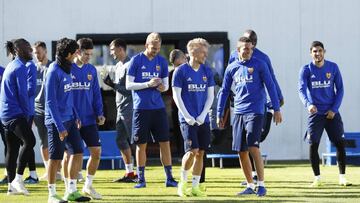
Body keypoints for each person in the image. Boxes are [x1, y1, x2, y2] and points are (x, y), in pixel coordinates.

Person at [217, 37, 282, 197]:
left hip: (256, 111)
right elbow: (224, 91)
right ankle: (249, 185)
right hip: (238, 112)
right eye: (244, 49)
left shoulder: (260, 65)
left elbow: (271, 86)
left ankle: (261, 185)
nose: (247, 51)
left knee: (253, 146)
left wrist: (276, 108)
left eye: (249, 49)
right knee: (241, 151)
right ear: (238, 51)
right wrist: (219, 112)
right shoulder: (232, 67)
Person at [230, 30, 284, 183]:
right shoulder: (234, 55)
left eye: (253, 40)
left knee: (254, 142)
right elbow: (231, 76)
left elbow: (271, 80)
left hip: (258, 106)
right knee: (244, 147)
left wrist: (277, 102)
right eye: (247, 39)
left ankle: (259, 180)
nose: (250, 42)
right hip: (241, 107)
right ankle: (251, 178)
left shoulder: (263, 58)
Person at [126, 32, 177, 188]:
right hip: (141, 108)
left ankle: (169, 178)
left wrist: (162, 87)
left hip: (158, 109)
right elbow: (129, 85)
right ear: (146, 45)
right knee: (141, 144)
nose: (155, 50)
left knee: (165, 142)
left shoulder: (161, 61)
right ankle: (141, 179)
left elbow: (166, 86)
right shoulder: (136, 60)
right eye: (153, 47)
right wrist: (148, 84)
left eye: (158, 47)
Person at [298, 41, 351, 187]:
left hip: (332, 113)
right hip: (316, 113)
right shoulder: (306, 70)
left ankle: (342, 178)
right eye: (315, 51)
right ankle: (317, 179)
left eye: (320, 51)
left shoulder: (333, 67)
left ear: (324, 52)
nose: (317, 54)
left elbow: (340, 89)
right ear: (311, 53)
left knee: (340, 144)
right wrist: (308, 105)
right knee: (313, 145)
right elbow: (301, 90)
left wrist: (334, 109)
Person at [45, 37, 90, 203]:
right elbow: (50, 102)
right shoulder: (53, 71)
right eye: (76, 51)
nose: (78, 54)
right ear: (69, 54)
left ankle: (71, 191)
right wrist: (59, 126)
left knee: (78, 151)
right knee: (55, 157)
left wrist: (76, 115)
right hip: (56, 122)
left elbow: (69, 95)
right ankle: (51, 195)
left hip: (71, 120)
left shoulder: (67, 68)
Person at [173, 38, 214, 197]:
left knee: (201, 153)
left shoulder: (207, 71)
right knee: (192, 151)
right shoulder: (180, 71)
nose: (205, 55)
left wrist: (203, 115)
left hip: (203, 119)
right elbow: (177, 96)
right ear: (193, 52)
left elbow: (210, 96)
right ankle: (182, 183)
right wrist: (187, 116)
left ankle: (195, 187)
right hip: (187, 119)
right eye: (203, 52)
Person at [69, 38, 105, 199]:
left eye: (91, 54)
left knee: (96, 152)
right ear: (77, 51)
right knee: (72, 155)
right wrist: (72, 116)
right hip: (71, 120)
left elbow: (96, 94)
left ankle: (88, 186)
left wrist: (100, 113)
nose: (88, 57)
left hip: (89, 119)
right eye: (86, 54)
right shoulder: (67, 69)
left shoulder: (91, 70)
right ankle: (70, 188)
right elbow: (65, 97)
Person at [0, 39, 36, 195]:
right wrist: (28, 114)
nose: (31, 50)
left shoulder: (11, 65)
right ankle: (18, 180)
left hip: (5, 115)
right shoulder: (20, 67)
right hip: (16, 114)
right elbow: (23, 94)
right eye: (27, 48)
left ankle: (10, 187)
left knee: (12, 149)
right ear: (18, 50)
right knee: (30, 141)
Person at [103, 38, 137, 183]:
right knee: (120, 140)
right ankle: (130, 173)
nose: (111, 53)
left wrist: (113, 85)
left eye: (112, 50)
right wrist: (111, 84)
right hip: (120, 109)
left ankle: (140, 174)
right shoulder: (118, 66)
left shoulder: (131, 65)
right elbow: (118, 87)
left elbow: (131, 90)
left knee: (135, 142)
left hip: (129, 108)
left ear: (121, 49)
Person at [32, 41, 62, 181]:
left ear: (45, 51)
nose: (36, 55)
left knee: (56, 142)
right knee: (43, 143)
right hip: (37, 111)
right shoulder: (33, 69)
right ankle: (48, 170)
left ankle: (59, 170)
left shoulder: (53, 67)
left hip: (52, 111)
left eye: (38, 52)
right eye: (34, 52)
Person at [23, 60, 39, 184]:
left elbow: (31, 89)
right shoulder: (20, 65)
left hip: (25, 112)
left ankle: (16, 177)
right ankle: (32, 174)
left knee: (27, 142)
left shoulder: (29, 65)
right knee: (26, 143)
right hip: (24, 111)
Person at [168, 49, 187, 157]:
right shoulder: (172, 74)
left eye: (179, 65)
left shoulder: (191, 71)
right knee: (178, 131)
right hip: (176, 106)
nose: (177, 68)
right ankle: (181, 152)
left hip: (189, 106)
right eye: (175, 66)